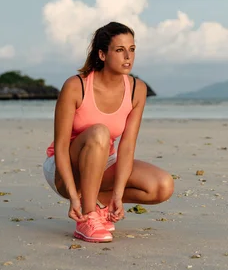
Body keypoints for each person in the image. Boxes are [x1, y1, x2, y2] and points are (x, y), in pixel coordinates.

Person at [43, 22, 174, 243]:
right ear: (102, 54)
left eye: (132, 49)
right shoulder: (76, 86)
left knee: (162, 186)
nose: (128, 57)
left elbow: (127, 146)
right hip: (63, 167)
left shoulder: (136, 89)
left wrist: (118, 195)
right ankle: (87, 216)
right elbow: (61, 145)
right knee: (100, 133)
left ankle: (99, 205)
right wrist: (74, 198)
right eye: (119, 50)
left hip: (105, 162)